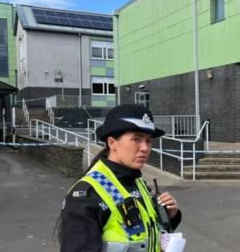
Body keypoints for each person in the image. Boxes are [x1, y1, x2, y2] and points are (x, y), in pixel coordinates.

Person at [58, 104, 182, 252]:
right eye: (137, 139)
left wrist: (170, 216)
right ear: (112, 143)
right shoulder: (86, 195)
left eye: (148, 141)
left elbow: (147, 234)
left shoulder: (137, 182)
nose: (145, 148)